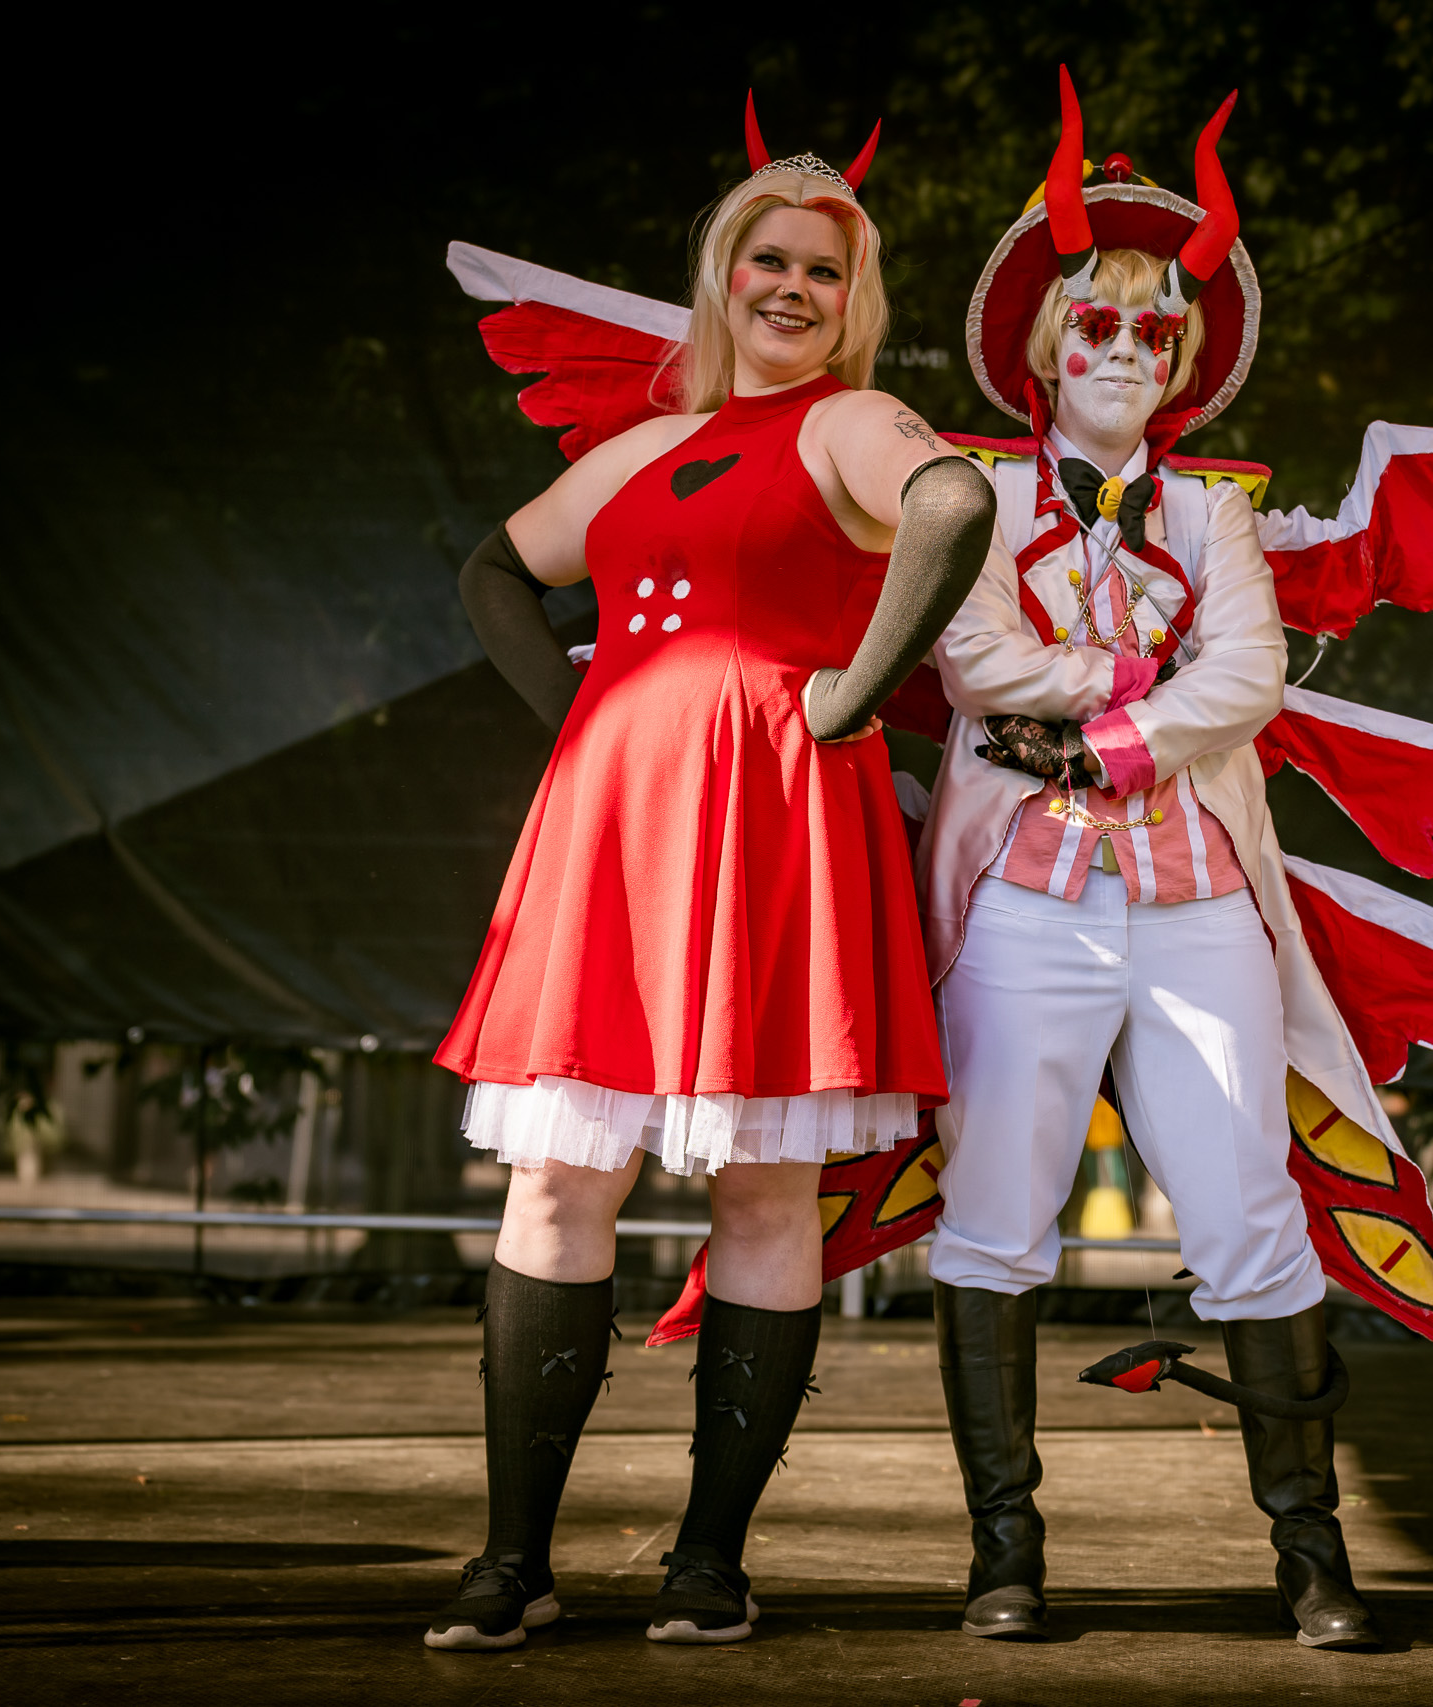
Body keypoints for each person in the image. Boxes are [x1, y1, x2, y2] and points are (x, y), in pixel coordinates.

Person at [424, 101, 995, 1652]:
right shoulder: (647, 444)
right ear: (723, 274)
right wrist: (580, 721)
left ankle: (710, 1562)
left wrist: (851, 692)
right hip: (614, 827)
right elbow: (496, 569)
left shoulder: (853, 423)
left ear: (852, 298)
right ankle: (514, 1562)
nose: (792, 287)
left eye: (824, 268)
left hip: (775, 816)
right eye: (769, 259)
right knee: (557, 1179)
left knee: (762, 1188)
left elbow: (955, 503)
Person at [916, 73, 1380, 1650]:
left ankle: (1311, 1558)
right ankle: (1004, 1556)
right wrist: (1140, 683)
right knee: (996, 1211)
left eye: (1156, 332)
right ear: (1050, 344)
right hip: (1021, 907)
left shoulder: (1213, 515)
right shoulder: (972, 499)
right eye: (1100, 324)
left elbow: (1247, 678)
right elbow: (974, 661)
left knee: (1249, 1208)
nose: (1127, 349)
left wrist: (1105, 736)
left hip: (1195, 908)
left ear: (1182, 362)